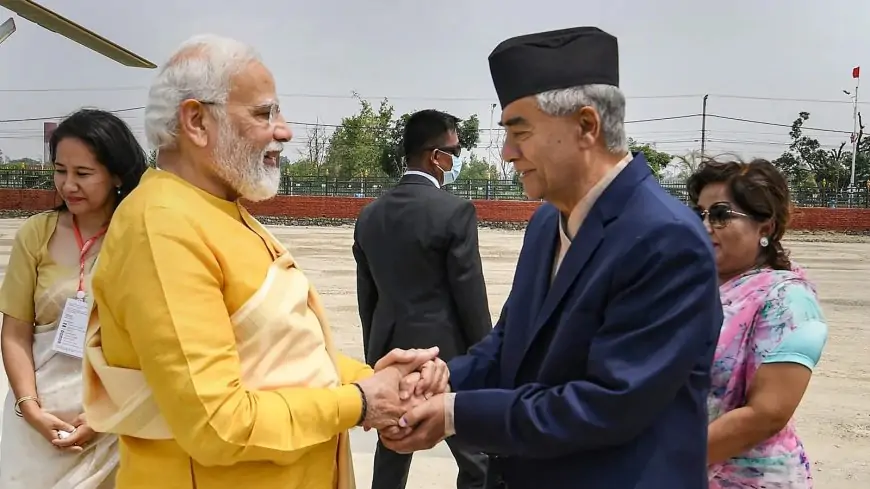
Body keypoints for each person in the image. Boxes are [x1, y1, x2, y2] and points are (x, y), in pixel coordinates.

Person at [80, 35, 446, 489]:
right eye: (263, 113)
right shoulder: (162, 228)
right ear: (196, 121)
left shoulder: (219, 211)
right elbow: (217, 425)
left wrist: (381, 379)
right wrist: (361, 402)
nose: (285, 130)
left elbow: (285, 357)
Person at [378, 27, 724, 489]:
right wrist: (437, 378)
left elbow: (607, 404)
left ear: (586, 126)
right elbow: (509, 347)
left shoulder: (665, 240)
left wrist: (454, 413)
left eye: (519, 131)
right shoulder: (547, 224)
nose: (506, 153)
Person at [0, 108, 148, 488]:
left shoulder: (141, 239)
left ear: (117, 174)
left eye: (83, 174)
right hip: (38, 426)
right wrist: (30, 409)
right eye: (60, 170)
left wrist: (107, 412)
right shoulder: (36, 234)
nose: (68, 185)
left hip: (115, 422)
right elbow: (15, 331)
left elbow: (154, 341)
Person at [354, 109, 490, 489]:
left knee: (394, 447)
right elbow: (470, 297)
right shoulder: (454, 212)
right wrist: (485, 359)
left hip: (391, 354)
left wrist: (375, 362)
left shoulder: (369, 216)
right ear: (435, 156)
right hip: (445, 359)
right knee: (475, 456)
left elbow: (368, 300)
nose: (457, 159)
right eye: (454, 151)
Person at [687, 159, 828, 488]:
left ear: (764, 227)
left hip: (748, 478)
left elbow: (766, 415)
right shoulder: (694, 288)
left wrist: (669, 458)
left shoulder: (788, 299)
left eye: (721, 214)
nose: (705, 226)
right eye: (699, 214)